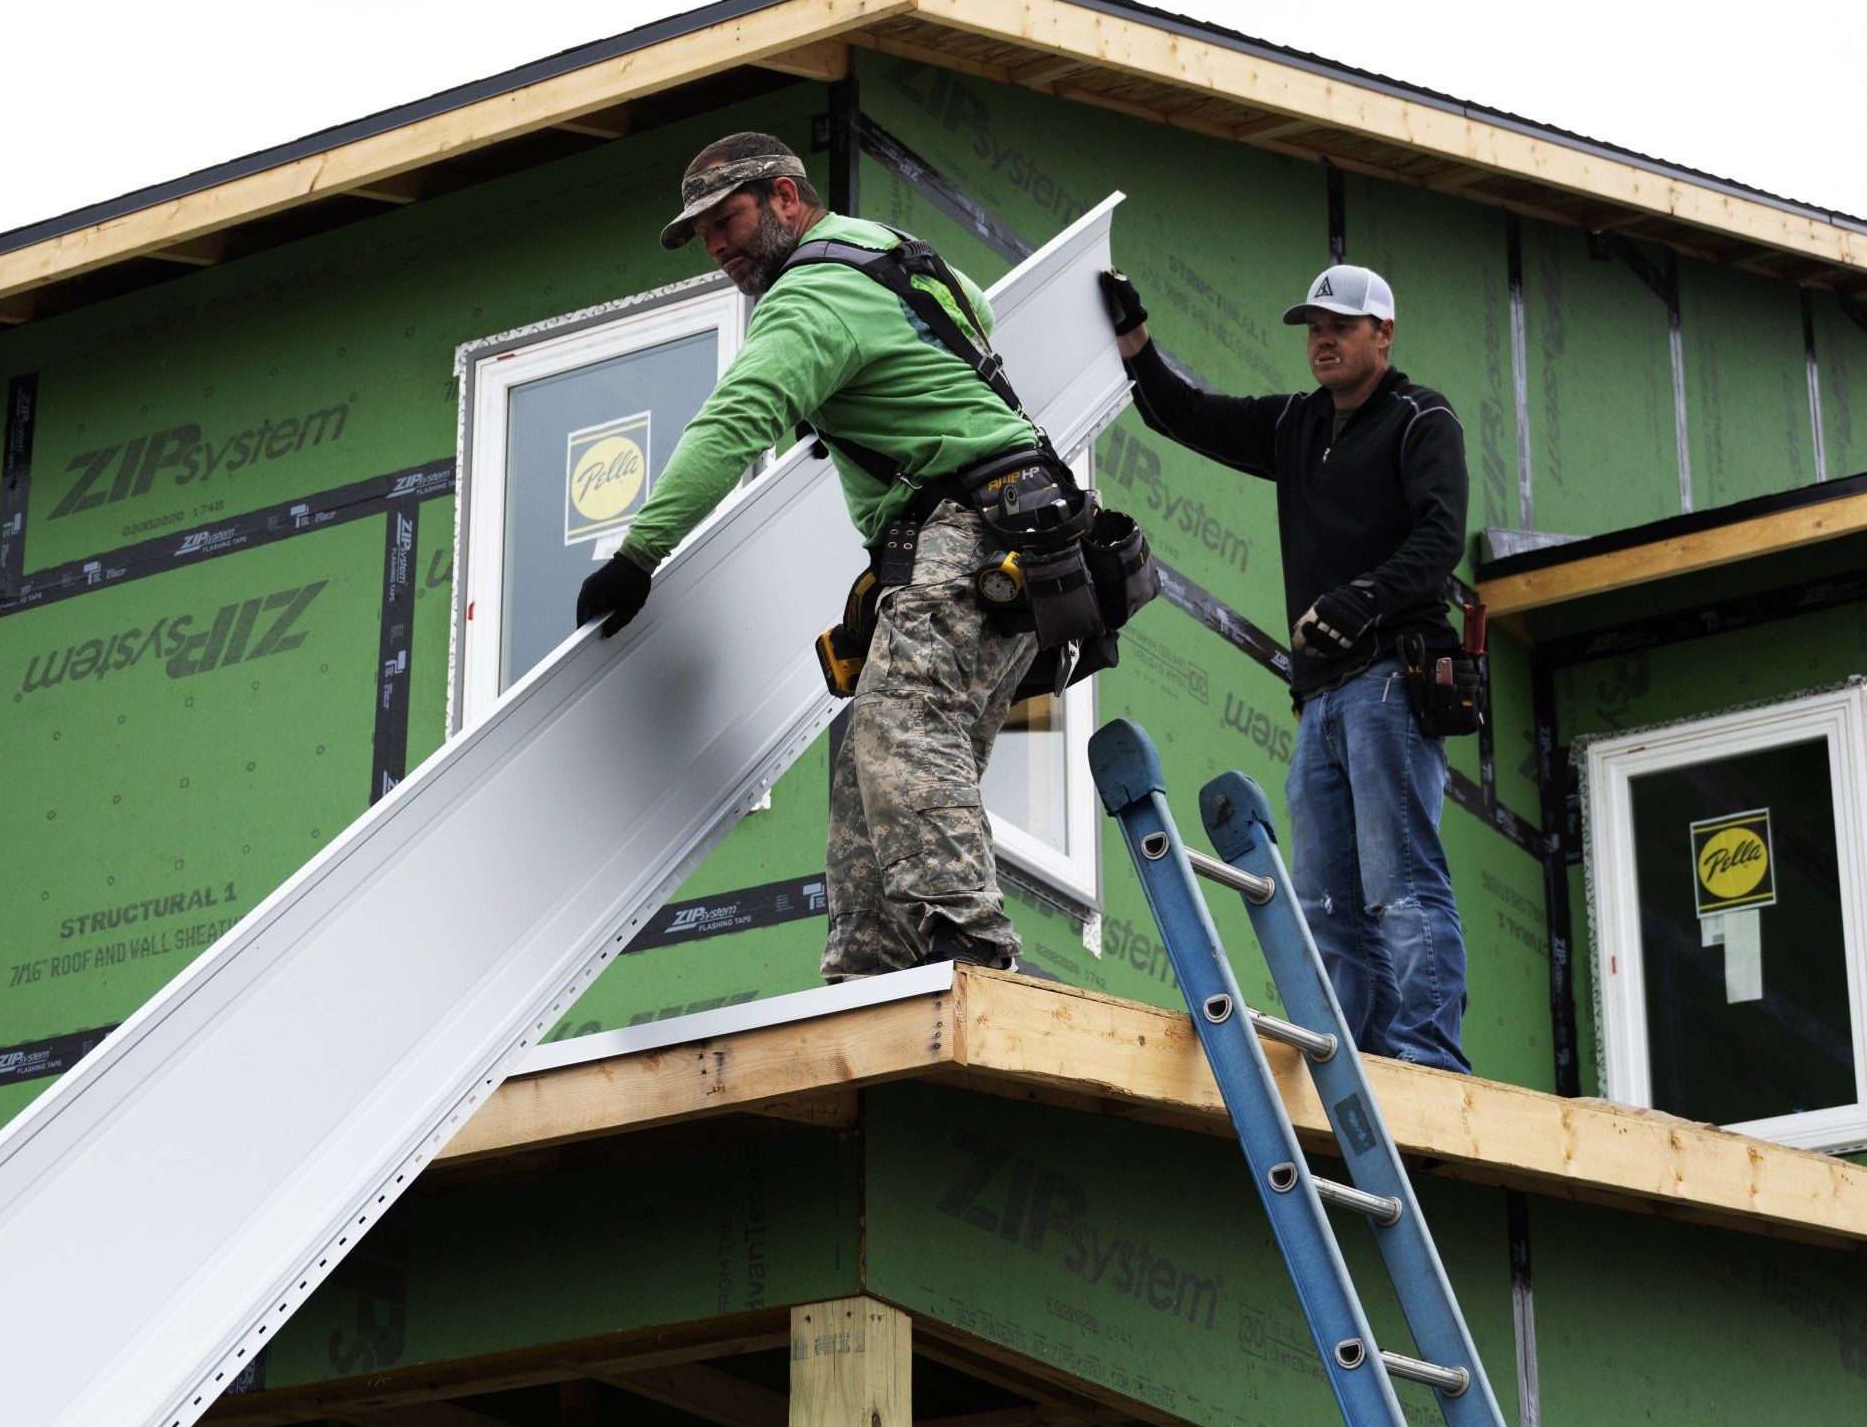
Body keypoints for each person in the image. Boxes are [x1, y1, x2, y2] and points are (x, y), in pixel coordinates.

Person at [574, 130, 1046, 982]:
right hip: (1011, 530)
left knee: (905, 724)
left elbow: (737, 418)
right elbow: (967, 315)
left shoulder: (810, 294)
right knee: (876, 751)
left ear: (787, 198)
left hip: (971, 527)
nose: (717, 246)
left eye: (728, 219)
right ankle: (869, 970)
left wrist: (640, 554)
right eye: (703, 232)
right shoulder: (891, 254)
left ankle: (972, 948)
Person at [1099, 261, 1472, 1071]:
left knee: (1399, 882)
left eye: (1340, 326)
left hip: (1391, 684)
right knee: (1326, 903)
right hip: (1324, 699)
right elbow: (1185, 414)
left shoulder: (1420, 419)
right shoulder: (1299, 425)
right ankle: (1360, 1064)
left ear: (1385, 334)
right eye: (1313, 327)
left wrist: (1360, 600)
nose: (1323, 340)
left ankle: (1428, 1061)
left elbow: (1441, 541)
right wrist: (1134, 339)